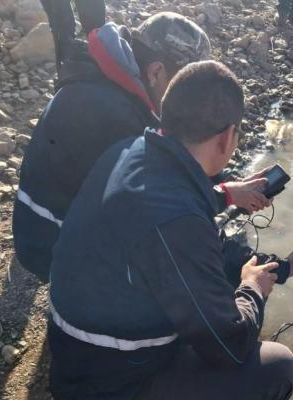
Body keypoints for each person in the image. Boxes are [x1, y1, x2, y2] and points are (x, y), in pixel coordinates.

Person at [48, 60, 293, 399]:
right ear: (226, 137)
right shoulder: (176, 223)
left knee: (217, 289)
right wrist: (253, 290)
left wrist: (283, 268)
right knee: (276, 366)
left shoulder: (131, 151)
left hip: (75, 353)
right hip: (108, 383)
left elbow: (206, 246)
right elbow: (230, 347)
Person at [13, 11, 271, 283]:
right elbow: (162, 205)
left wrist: (227, 184)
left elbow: (174, 157)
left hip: (53, 222)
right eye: (185, 88)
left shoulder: (113, 82)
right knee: (184, 266)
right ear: (157, 71)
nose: (194, 102)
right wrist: (225, 196)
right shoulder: (113, 118)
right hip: (52, 243)